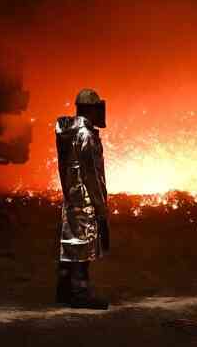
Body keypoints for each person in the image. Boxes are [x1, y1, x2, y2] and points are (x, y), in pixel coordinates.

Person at [54, 88, 110, 309]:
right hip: (85, 198)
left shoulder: (68, 131)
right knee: (83, 247)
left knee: (71, 243)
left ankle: (65, 291)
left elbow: (63, 166)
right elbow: (91, 172)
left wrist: (68, 192)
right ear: (90, 109)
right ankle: (80, 293)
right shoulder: (85, 134)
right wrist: (100, 205)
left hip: (72, 195)